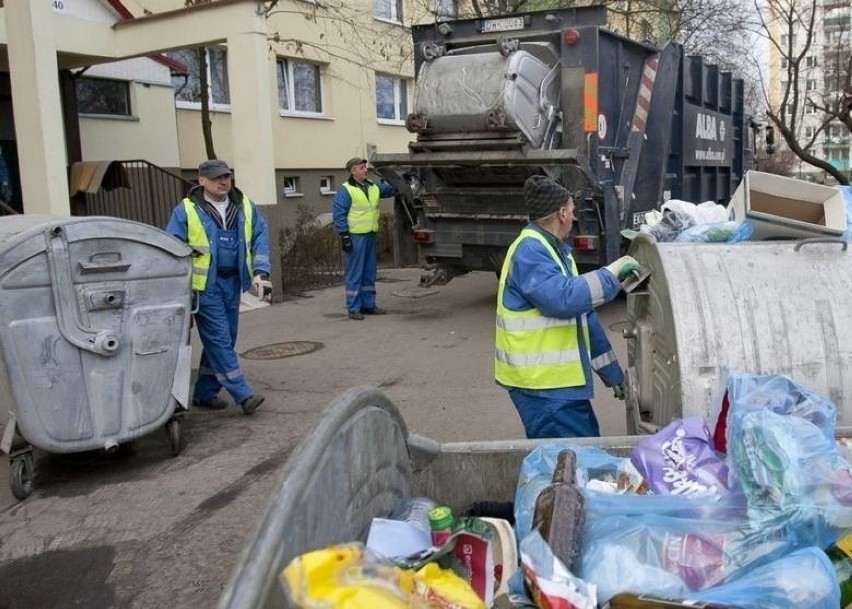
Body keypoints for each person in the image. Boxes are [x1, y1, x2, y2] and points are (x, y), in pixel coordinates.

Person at [494, 175, 639, 439]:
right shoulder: (530, 251)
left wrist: (613, 375)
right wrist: (611, 274)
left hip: (557, 386)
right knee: (569, 463)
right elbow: (562, 300)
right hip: (542, 387)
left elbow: (583, 320)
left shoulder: (556, 251)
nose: (574, 218)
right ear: (561, 213)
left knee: (581, 454)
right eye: (572, 211)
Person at [166, 159, 271, 415]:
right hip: (204, 287)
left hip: (233, 282)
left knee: (226, 337)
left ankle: (204, 392)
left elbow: (259, 235)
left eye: (226, 176)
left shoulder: (244, 205)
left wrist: (261, 272)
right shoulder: (187, 210)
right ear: (201, 181)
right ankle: (242, 394)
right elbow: (172, 248)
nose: (224, 181)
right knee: (220, 339)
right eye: (216, 178)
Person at [332, 157, 396, 320]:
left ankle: (368, 305)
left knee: (369, 272)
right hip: (355, 237)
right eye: (361, 168)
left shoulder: (372, 186)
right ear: (353, 171)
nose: (365, 170)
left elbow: (389, 190)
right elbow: (339, 214)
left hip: (370, 235)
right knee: (354, 273)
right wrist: (344, 236)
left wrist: (402, 180)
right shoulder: (346, 190)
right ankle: (353, 308)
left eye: (365, 167)